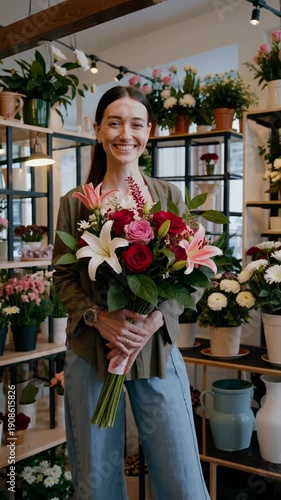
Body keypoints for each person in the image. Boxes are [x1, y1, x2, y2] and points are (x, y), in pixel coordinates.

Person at [52, 85, 210, 500]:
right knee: (96, 483)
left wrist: (154, 319)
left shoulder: (169, 197)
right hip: (91, 354)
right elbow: (63, 279)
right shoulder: (76, 203)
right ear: (98, 130)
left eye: (136, 124)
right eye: (115, 123)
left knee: (182, 481)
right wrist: (98, 317)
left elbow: (191, 277)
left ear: (149, 131)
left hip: (155, 349)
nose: (126, 134)